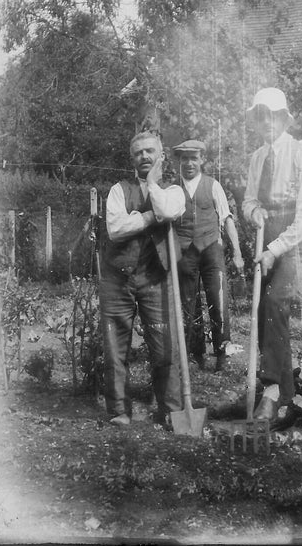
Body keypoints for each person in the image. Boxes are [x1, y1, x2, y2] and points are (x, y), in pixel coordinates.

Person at [242, 87, 302, 422]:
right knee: (265, 310)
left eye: (273, 116)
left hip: (291, 241)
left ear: (284, 119)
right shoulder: (257, 157)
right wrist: (253, 214)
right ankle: (283, 398)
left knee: (277, 303)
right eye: (261, 116)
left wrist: (276, 249)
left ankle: (272, 388)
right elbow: (249, 200)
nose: (268, 122)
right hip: (267, 235)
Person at [99, 131, 186, 426]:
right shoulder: (117, 191)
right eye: (138, 153)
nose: (144, 157)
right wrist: (149, 218)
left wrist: (151, 185)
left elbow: (167, 209)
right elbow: (116, 229)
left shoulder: (173, 191)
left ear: (160, 155)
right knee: (115, 348)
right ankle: (119, 411)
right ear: (131, 158)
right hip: (118, 279)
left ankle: (171, 410)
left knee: (165, 348)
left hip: (156, 279)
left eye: (150, 151)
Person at [172, 139, 244, 372]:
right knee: (188, 303)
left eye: (194, 158)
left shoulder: (213, 185)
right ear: (179, 163)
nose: (189, 163)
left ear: (202, 160)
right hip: (184, 251)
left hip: (212, 249)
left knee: (218, 299)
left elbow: (227, 219)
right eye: (185, 159)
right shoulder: (172, 190)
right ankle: (196, 353)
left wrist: (238, 253)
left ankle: (222, 352)